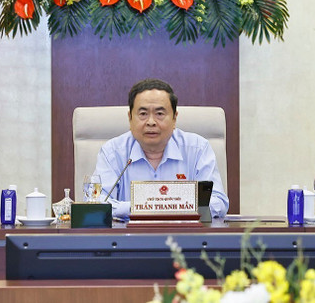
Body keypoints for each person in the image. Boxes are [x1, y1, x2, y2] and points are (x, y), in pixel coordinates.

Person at [92, 78, 229, 219]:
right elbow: (96, 203)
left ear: (174, 118)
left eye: (159, 114)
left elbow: (218, 202)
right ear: (130, 118)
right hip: (128, 238)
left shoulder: (198, 149)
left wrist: (161, 206)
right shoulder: (112, 152)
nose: (151, 122)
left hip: (185, 237)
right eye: (143, 114)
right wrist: (144, 207)